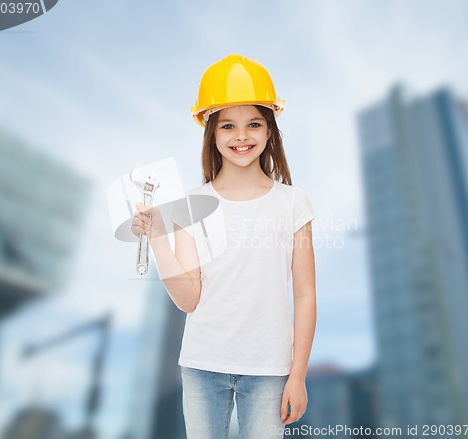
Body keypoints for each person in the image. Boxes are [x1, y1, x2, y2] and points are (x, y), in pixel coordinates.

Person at [131, 54, 317, 439]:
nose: (241, 136)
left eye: (254, 124)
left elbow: (305, 293)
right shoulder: (189, 204)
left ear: (270, 131)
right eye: (228, 125)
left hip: (270, 369)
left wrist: (297, 375)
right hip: (202, 364)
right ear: (212, 134)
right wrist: (159, 237)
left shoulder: (294, 202)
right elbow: (188, 299)